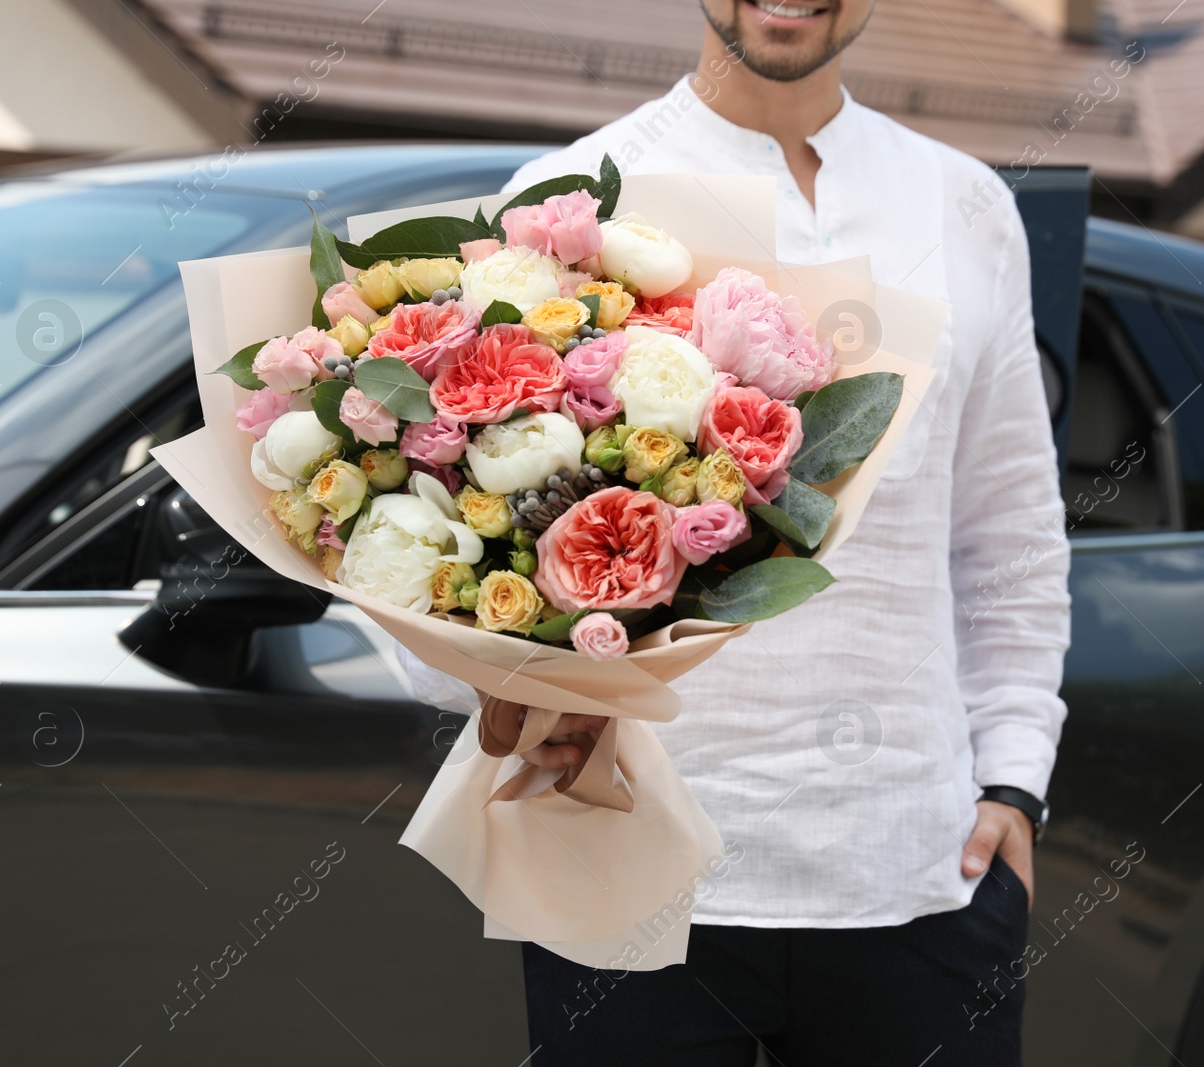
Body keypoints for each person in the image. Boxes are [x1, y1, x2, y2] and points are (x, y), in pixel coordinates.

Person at [407, 1, 1071, 1062]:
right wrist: (498, 695)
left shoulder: (967, 206)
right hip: (628, 873)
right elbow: (448, 533)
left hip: (917, 867)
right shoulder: (571, 202)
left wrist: (1013, 785)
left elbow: (1010, 537)